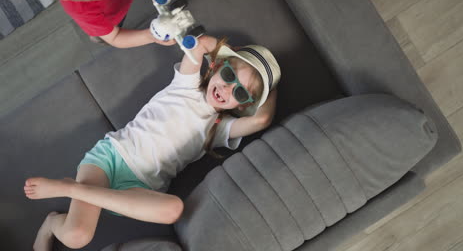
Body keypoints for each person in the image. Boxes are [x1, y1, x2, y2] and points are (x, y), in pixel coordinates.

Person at [24, 35, 281, 250]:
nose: (226, 88)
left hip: (138, 190)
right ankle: (52, 224)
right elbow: (201, 44)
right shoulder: (186, 84)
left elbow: (262, 120)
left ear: (243, 104)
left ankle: (71, 189)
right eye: (228, 74)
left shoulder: (219, 129)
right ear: (215, 67)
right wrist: (230, 54)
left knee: (174, 209)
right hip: (110, 159)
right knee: (75, 237)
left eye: (239, 91)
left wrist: (267, 86)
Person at [52, 0, 175, 48]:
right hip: (112, 19)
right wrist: (151, 36)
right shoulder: (81, 10)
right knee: (103, 35)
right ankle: (99, 36)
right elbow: (115, 37)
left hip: (121, 0)